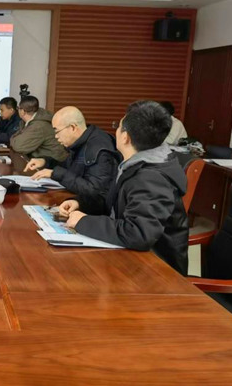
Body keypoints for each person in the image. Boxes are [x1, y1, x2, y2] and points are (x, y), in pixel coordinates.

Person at [58, 101, 188, 275]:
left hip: (155, 271)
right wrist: (80, 204)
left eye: (119, 127)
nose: (116, 131)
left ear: (125, 137)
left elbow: (138, 233)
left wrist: (84, 222)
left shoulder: (151, 178)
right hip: (129, 256)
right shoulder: (135, 163)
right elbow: (114, 203)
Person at [24, 106, 119, 214]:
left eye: (57, 131)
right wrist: (45, 162)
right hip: (79, 202)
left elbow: (95, 191)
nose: (56, 136)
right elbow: (69, 167)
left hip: (95, 213)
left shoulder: (99, 148)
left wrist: (55, 174)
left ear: (73, 127)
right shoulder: (80, 142)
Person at [9, 96, 68, 162]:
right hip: (43, 159)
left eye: (18, 108)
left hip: (52, 162)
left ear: (22, 111)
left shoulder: (38, 126)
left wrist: (13, 139)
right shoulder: (28, 121)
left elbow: (18, 147)